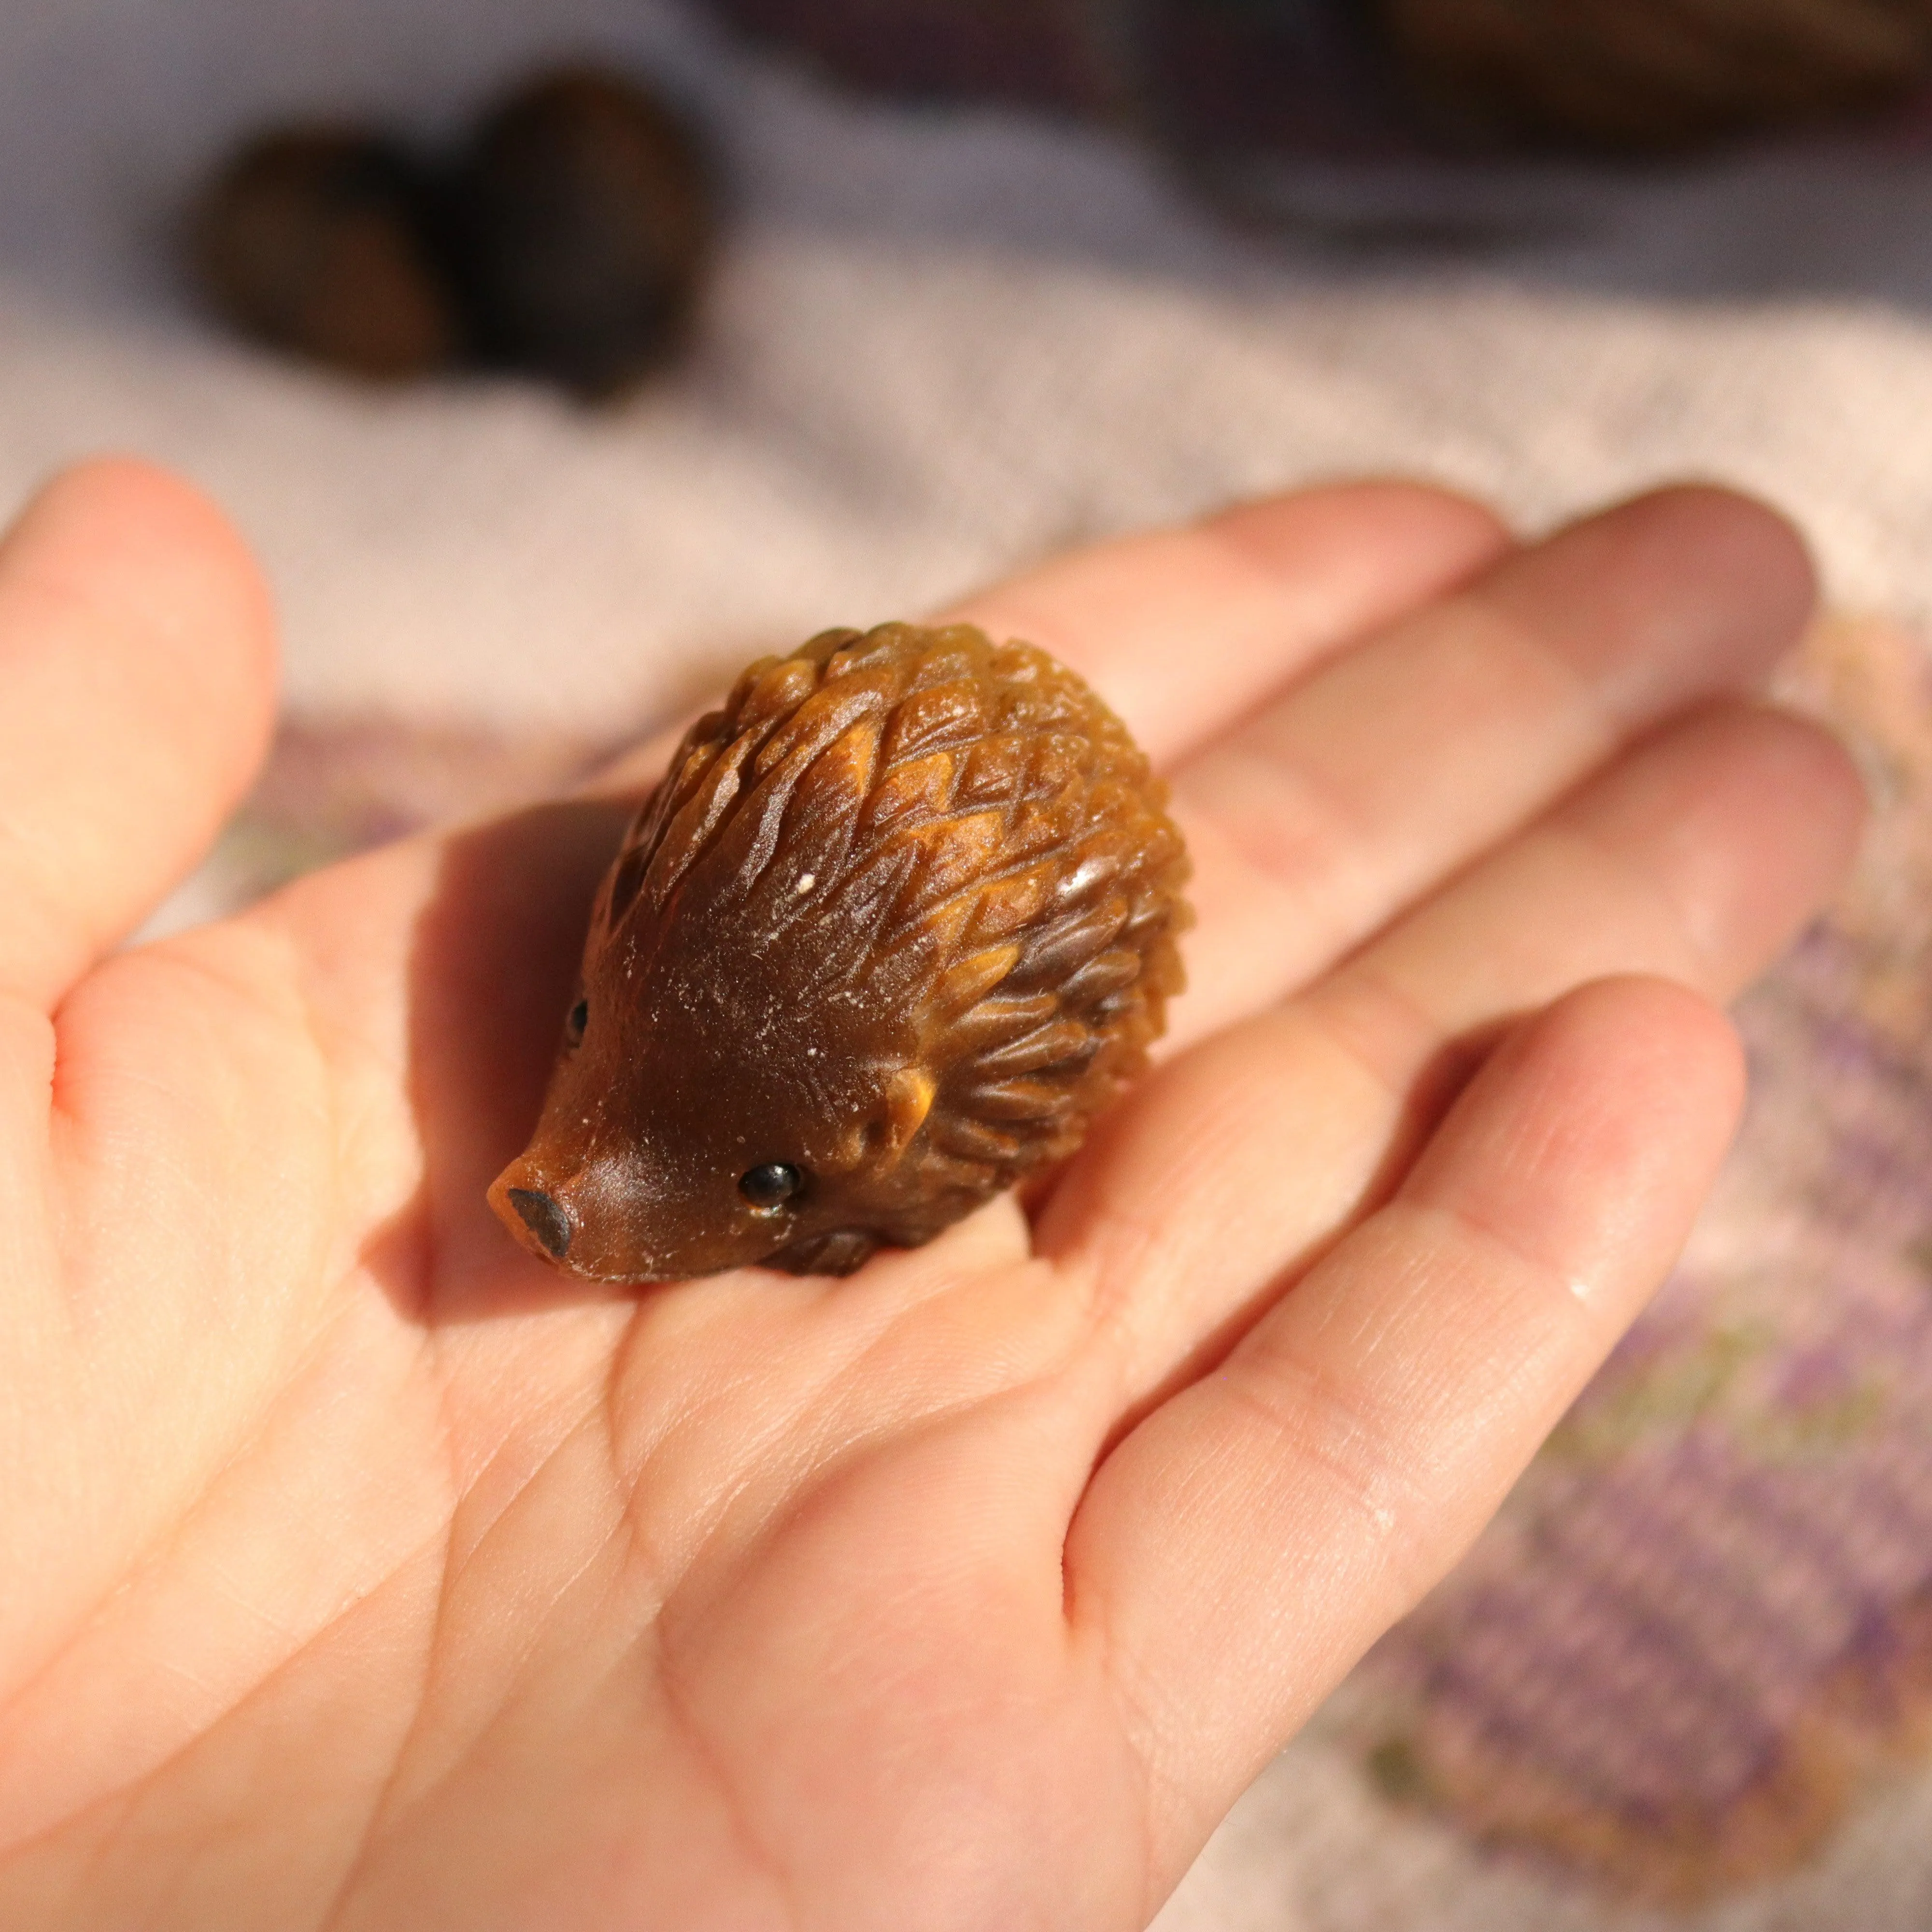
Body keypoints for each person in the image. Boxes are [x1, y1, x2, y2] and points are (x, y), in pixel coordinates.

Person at [0, 458, 1862, 1928]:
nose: (575, 1197)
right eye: (587, 1024)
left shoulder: (962, 1078)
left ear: (897, 1136)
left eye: (760, 1175)